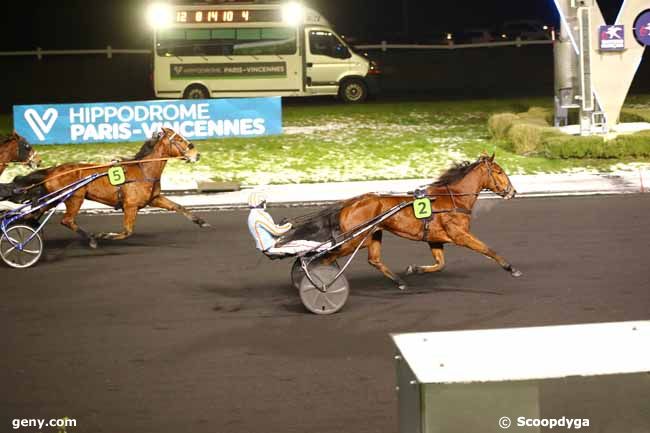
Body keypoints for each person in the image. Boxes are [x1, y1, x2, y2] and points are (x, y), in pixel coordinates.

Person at [247, 192, 330, 256]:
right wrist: (289, 225)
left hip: (274, 243)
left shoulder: (254, 215)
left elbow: (272, 228)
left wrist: (281, 225)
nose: (266, 203)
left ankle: (326, 245)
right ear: (261, 203)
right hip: (272, 246)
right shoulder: (258, 216)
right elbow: (276, 232)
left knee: (300, 241)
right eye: (264, 202)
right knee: (302, 244)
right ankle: (328, 246)